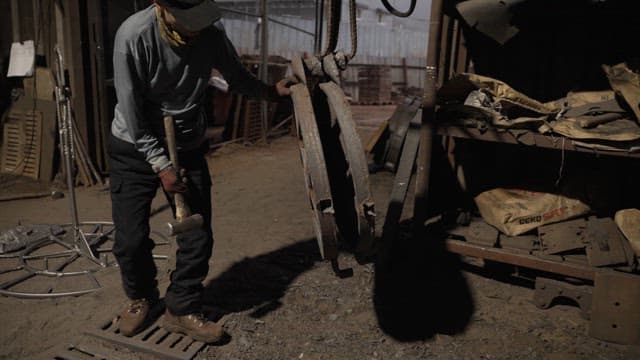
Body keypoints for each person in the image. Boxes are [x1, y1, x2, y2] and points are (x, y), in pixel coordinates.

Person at [108, 0, 290, 343]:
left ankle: (181, 307)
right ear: (162, 6)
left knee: (197, 235)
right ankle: (141, 298)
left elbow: (236, 78)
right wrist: (161, 166)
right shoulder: (133, 36)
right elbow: (132, 113)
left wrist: (269, 92)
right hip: (134, 146)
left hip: (187, 145)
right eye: (189, 20)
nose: (197, 27)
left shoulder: (210, 32)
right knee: (130, 239)